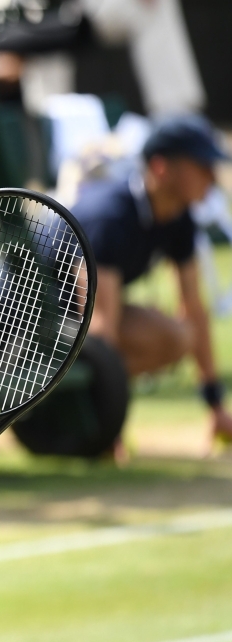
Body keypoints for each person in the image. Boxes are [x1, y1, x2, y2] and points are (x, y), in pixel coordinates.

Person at [71, 114, 232, 452]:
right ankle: (89, 424)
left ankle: (79, 413)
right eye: (201, 166)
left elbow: (194, 307)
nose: (211, 177)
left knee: (177, 338)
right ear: (161, 168)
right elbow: (102, 324)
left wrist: (216, 407)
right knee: (124, 332)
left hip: (78, 320)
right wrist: (110, 429)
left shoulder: (179, 217)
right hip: (25, 326)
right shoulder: (110, 216)